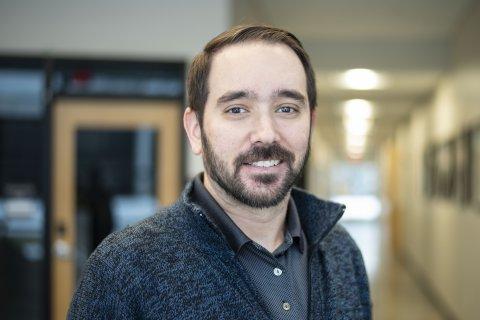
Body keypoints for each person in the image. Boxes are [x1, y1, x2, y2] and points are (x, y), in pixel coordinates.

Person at [68, 25, 372, 320]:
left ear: (311, 123)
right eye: (237, 109)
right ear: (196, 130)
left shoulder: (340, 251)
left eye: (287, 108)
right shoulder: (124, 267)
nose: (266, 134)